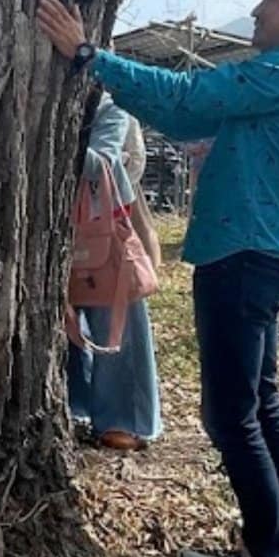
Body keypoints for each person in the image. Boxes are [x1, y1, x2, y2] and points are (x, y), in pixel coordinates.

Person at [37, 0, 279, 557]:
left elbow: (188, 98)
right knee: (261, 403)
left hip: (243, 258)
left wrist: (88, 57)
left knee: (231, 413)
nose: (258, 9)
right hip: (261, 256)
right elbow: (185, 119)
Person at [67, 93, 163, 451]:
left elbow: (103, 163)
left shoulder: (109, 105)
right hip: (45, 225)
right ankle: (72, 403)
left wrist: (53, 136)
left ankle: (125, 418)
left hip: (101, 225)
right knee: (61, 328)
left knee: (117, 322)